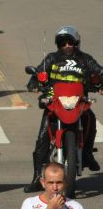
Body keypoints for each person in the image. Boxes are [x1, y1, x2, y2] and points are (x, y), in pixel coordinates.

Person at [24, 25, 102, 191]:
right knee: (42, 139)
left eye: (70, 42)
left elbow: (99, 72)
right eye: (63, 43)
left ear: (76, 43)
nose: (67, 46)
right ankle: (38, 177)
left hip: (78, 102)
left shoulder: (85, 59)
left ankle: (87, 153)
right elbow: (37, 74)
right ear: (58, 45)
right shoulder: (51, 58)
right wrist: (34, 83)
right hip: (55, 103)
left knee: (91, 119)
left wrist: (100, 81)